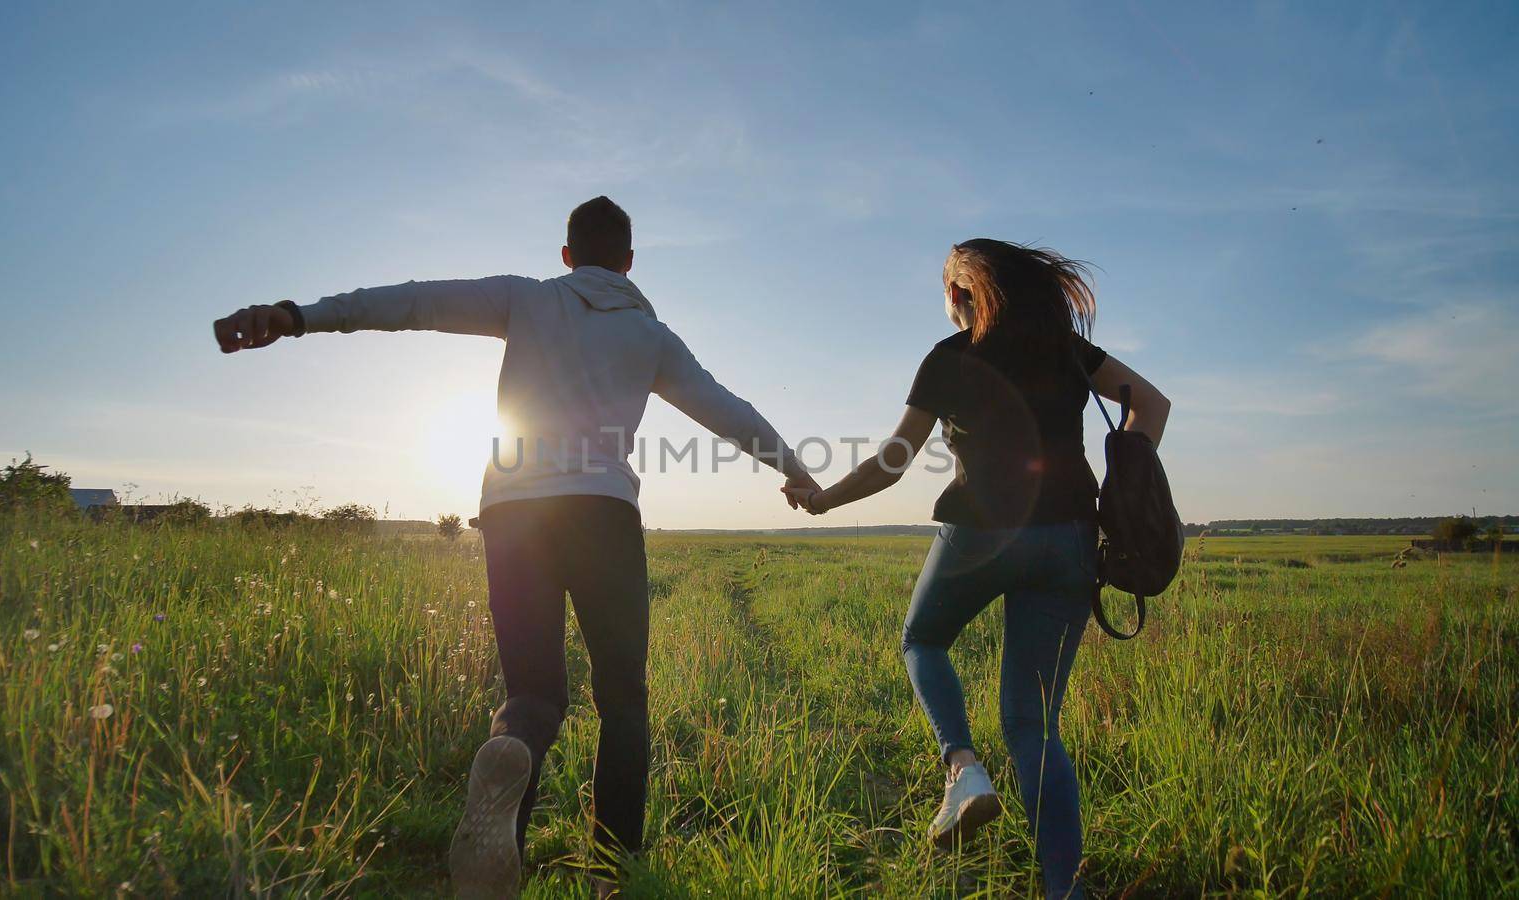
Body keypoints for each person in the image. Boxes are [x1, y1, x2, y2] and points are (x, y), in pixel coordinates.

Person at [212, 196, 820, 898]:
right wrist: (795, 471)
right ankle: (611, 874)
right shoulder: (652, 337)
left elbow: (412, 303)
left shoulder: (525, 300)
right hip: (602, 513)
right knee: (622, 698)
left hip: (513, 511)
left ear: (566, 256)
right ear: (628, 261)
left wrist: (297, 317)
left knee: (533, 693)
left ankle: (511, 777)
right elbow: (728, 411)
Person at [783, 239, 1169, 899]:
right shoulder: (1066, 350)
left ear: (961, 295)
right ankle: (1065, 890)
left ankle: (962, 767)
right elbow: (1152, 406)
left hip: (981, 533)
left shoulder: (950, 358)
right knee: (1033, 725)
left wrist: (823, 498)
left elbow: (892, 461)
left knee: (922, 640)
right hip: (1070, 537)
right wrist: (1119, 486)